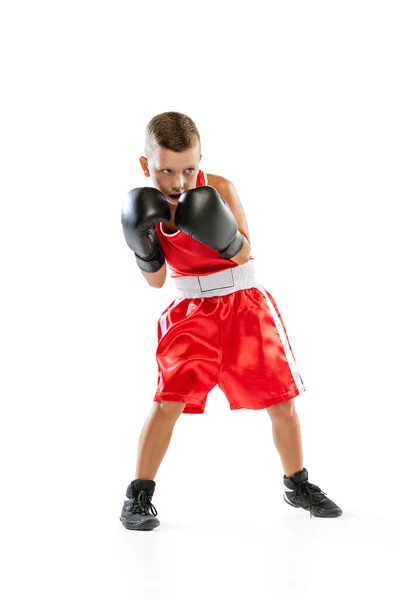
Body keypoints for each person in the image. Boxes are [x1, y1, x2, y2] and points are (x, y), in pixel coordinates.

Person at [120, 111, 342, 530]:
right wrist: (142, 245)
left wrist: (216, 228)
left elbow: (243, 252)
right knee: (167, 402)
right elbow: (157, 282)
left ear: (201, 158)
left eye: (189, 168)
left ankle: (297, 484)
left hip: (243, 306)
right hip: (190, 315)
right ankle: (138, 496)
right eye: (167, 171)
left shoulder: (219, 188)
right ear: (146, 165)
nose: (180, 181)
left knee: (281, 399)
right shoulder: (146, 208)